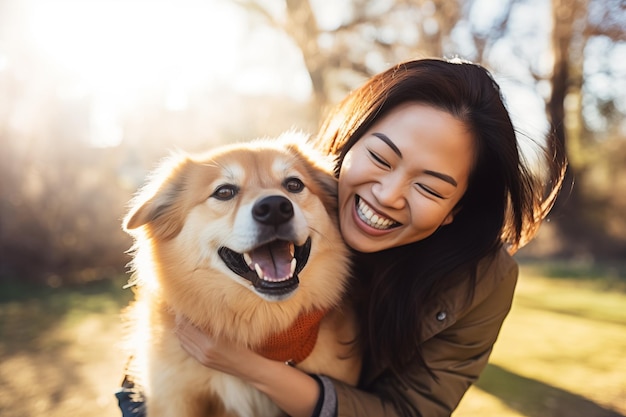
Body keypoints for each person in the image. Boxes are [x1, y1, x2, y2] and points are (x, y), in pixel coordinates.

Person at [116, 57, 566, 417]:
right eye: (381, 158)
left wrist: (244, 363)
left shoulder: (480, 282)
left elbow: (412, 410)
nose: (388, 196)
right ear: (349, 145)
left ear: (456, 210)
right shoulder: (319, 185)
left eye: (429, 187)